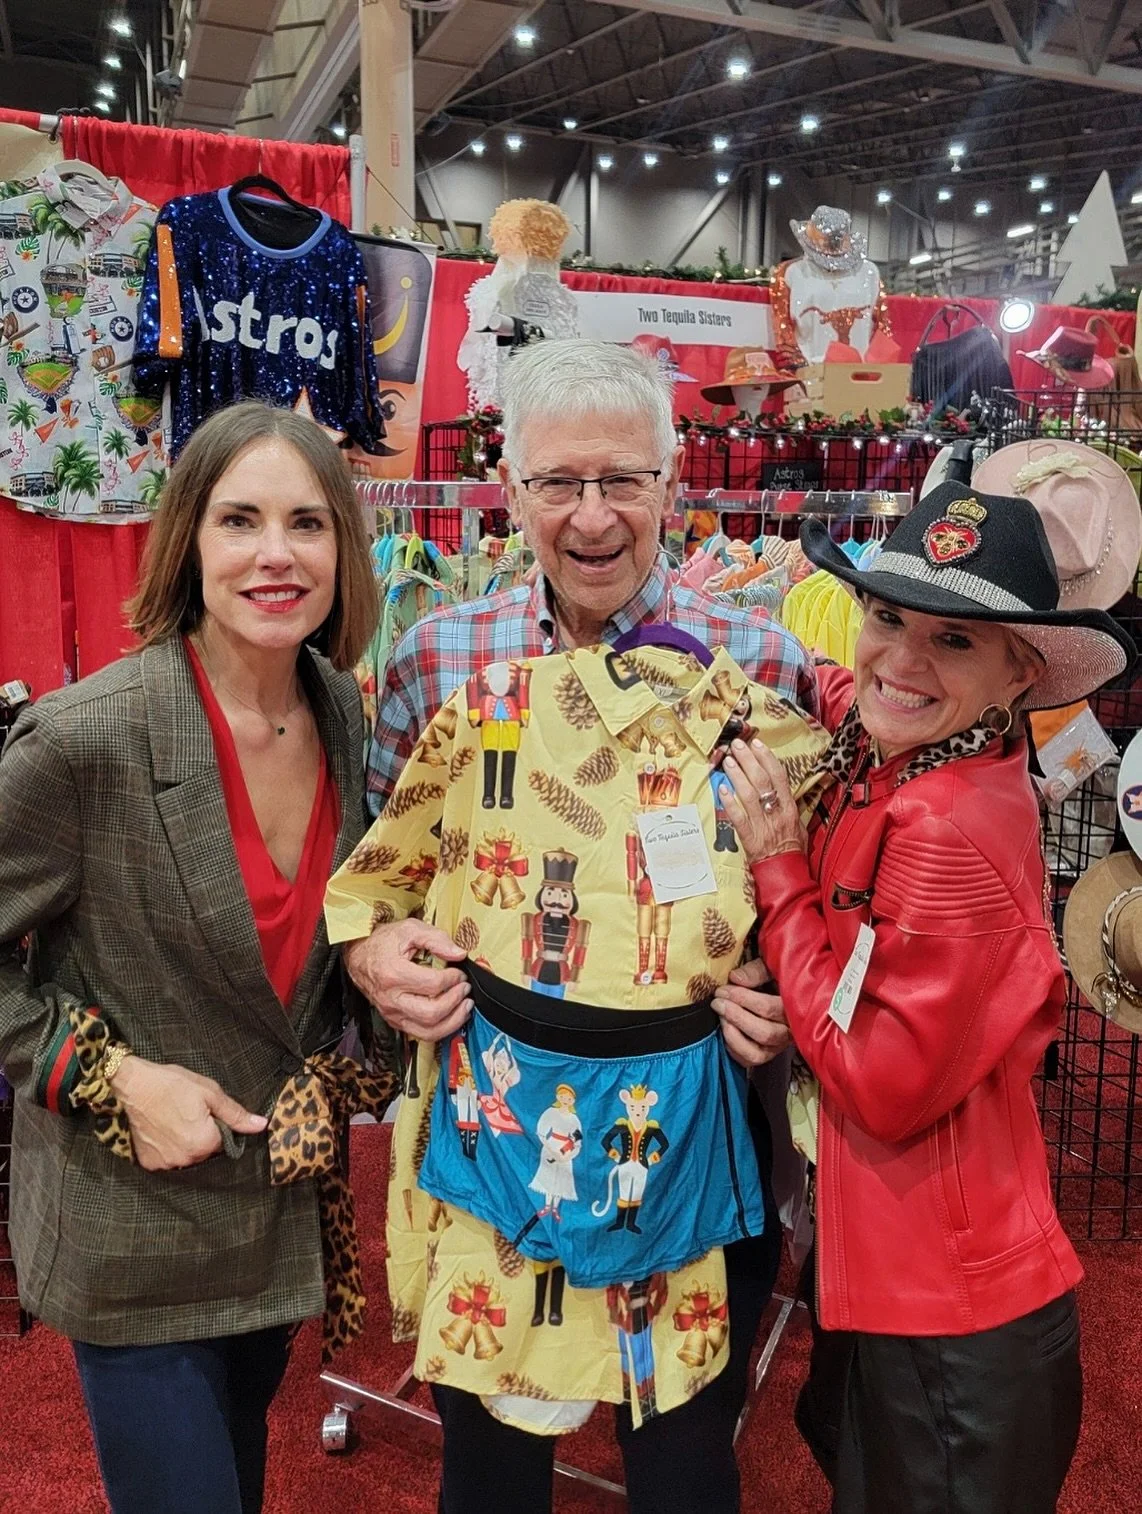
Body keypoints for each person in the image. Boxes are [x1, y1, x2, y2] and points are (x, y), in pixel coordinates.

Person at [342, 337, 819, 1514]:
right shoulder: (435, 660)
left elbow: (812, 887)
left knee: (682, 1452)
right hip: (491, 1116)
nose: (591, 515)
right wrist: (369, 954)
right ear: (508, 492)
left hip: (702, 1118)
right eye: (559, 482)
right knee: (493, 1453)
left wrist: (781, 987)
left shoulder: (762, 662)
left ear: (673, 487)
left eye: (622, 480)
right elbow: (385, 871)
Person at [0, 400, 391, 1514]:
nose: (276, 553)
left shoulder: (341, 711)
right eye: (240, 520)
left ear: (341, 551)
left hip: (270, 1217)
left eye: (307, 523)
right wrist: (109, 1072)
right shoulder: (88, 738)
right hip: (131, 1219)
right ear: (188, 541)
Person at [717, 482, 1135, 1513]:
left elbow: (883, 1082)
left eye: (953, 640)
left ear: (1016, 673)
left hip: (950, 1326)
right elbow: (846, 697)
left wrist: (775, 867)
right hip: (906, 1280)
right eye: (887, 616)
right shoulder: (908, 760)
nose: (897, 659)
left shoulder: (945, 823)